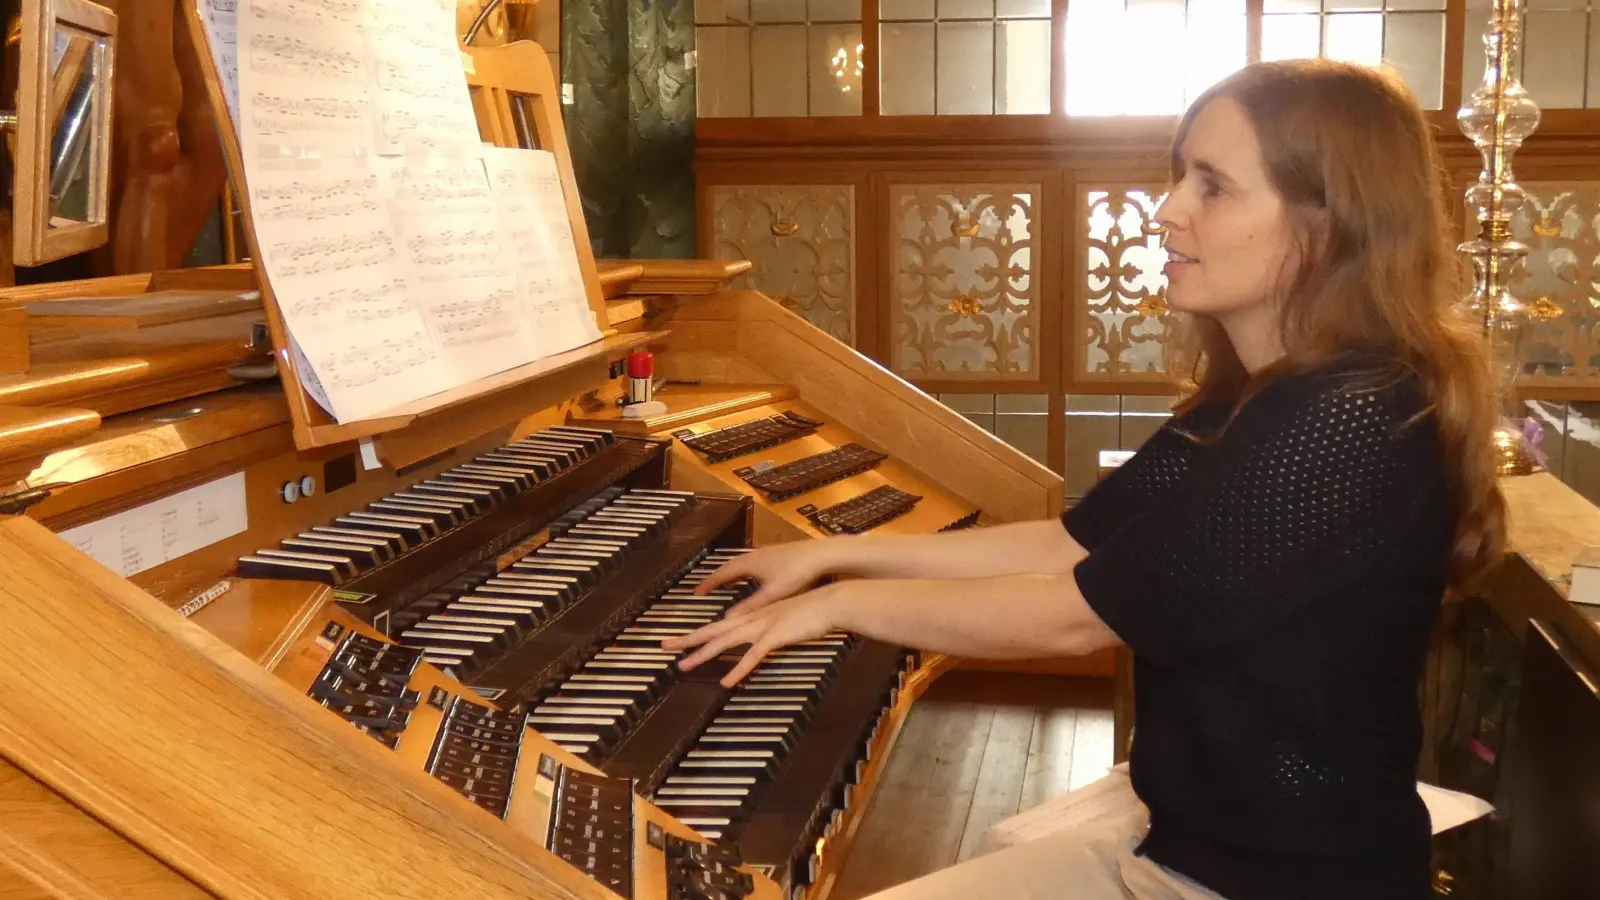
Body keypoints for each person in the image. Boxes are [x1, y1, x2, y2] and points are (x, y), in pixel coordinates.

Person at [662, 58, 1506, 900]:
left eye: (1212, 186)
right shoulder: (1253, 399)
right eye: (1179, 175)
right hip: (1183, 847)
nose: (1167, 209)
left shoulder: (1347, 416)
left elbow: (1072, 616)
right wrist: (836, 559)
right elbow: (1069, 540)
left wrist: (838, 607)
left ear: (1329, 225)